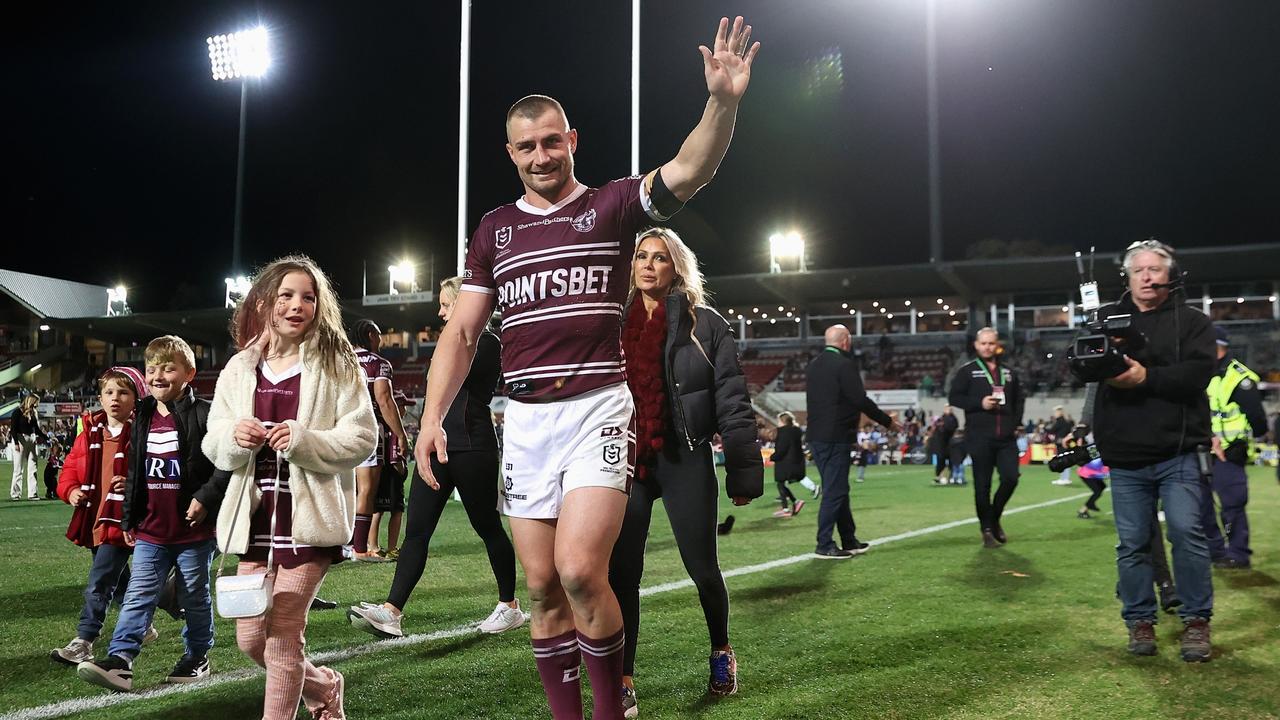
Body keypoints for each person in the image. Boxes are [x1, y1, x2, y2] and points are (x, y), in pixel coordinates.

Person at [414, 16, 759, 720]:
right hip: (527, 418)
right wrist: (429, 418)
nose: (541, 156)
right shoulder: (493, 230)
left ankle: (610, 710)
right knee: (540, 588)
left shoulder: (611, 207)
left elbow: (690, 168)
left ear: (572, 141)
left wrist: (722, 103)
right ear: (509, 152)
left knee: (578, 570)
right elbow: (462, 332)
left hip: (599, 406)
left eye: (552, 141)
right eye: (526, 147)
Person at [205, 256, 377, 720]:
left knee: (283, 633)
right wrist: (233, 438)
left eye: (307, 297)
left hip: (310, 518)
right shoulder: (240, 367)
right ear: (265, 302)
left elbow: (363, 438)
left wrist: (303, 442)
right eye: (286, 295)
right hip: (254, 516)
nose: (296, 305)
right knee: (250, 639)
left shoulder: (338, 364)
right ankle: (324, 686)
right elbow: (212, 439)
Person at [608, 228, 763, 715]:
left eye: (660, 257)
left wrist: (742, 472)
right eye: (641, 256)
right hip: (628, 462)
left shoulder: (707, 325)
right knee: (621, 576)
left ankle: (721, 649)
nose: (649, 265)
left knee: (703, 570)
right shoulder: (612, 323)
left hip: (685, 457)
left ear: (677, 267)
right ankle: (623, 677)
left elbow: (733, 401)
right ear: (631, 265)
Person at [348, 276, 525, 639]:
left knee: (487, 527)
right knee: (417, 532)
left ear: (464, 303)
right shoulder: (450, 339)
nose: (440, 311)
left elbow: (459, 378)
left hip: (471, 447)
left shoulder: (487, 341)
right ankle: (392, 611)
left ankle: (509, 606)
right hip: (436, 447)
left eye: (447, 304)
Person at [1092, 239, 1215, 662]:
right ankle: (1139, 620)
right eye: (1138, 270)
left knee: (1186, 533)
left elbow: (1198, 375)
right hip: (1125, 453)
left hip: (1177, 449)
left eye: (1154, 270)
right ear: (1127, 277)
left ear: (1170, 275)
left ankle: (1197, 621)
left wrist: (1146, 378)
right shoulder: (1105, 317)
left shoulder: (1194, 321)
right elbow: (1077, 364)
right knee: (1132, 544)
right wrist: (1097, 367)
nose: (1146, 277)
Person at [76, 337, 221, 692]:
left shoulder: (205, 412)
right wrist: (129, 519)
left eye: (168, 368)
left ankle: (197, 654)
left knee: (193, 596)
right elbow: (137, 472)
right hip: (151, 530)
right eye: (151, 368)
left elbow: (227, 466)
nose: (158, 375)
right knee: (139, 593)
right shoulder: (141, 414)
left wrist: (204, 498)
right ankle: (120, 660)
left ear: (189, 373)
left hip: (193, 532)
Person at [50, 367, 149, 665]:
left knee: (99, 580)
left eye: (123, 392)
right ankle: (159, 611)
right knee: (118, 581)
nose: (115, 398)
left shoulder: (144, 432)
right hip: (94, 517)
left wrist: (133, 482)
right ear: (100, 398)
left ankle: (85, 639)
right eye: (109, 392)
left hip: (122, 519)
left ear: (137, 397)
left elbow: (156, 472)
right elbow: (69, 469)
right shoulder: (90, 431)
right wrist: (71, 491)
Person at [805, 324, 895, 559]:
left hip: (817, 435)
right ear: (846, 341)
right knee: (835, 491)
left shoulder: (814, 365)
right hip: (836, 436)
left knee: (838, 489)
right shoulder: (844, 364)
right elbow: (859, 400)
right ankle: (824, 544)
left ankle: (849, 539)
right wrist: (887, 421)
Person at [948, 327, 1024, 548]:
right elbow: (954, 397)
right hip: (979, 437)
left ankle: (994, 516)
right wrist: (979, 403)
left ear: (997, 344)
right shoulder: (967, 371)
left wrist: (1015, 421)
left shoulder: (1009, 372)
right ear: (976, 345)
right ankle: (987, 529)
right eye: (983, 343)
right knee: (982, 486)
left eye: (991, 343)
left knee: (1011, 478)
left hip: (1006, 438)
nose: (987, 347)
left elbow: (1019, 398)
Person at [1201, 325, 1268, 569]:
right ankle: (1216, 550)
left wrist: (1241, 442)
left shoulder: (1238, 377)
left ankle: (1238, 553)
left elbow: (1258, 420)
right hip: (1200, 450)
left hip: (1229, 451)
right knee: (1201, 505)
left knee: (1232, 504)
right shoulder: (1201, 372)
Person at [349, 319, 411, 561]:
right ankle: (359, 549)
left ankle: (345, 546)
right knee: (366, 490)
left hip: (337, 429)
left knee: (346, 490)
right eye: (378, 334)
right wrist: (400, 433)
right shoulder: (378, 364)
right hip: (367, 428)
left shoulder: (338, 360)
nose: (380, 339)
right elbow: (384, 399)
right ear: (368, 335)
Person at [10, 394, 46, 500]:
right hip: (20, 439)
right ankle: (15, 494)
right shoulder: (17, 412)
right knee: (18, 468)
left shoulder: (34, 412)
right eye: (36, 403)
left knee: (33, 467)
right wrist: (16, 443)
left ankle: (33, 493)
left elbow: (36, 429)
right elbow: (13, 429)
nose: (37, 405)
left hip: (32, 439)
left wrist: (45, 437)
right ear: (31, 401)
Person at [771, 411, 806, 516]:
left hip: (785, 462)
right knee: (781, 484)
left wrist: (773, 457)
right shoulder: (796, 431)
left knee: (780, 483)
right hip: (795, 461)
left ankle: (786, 509)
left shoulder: (784, 432)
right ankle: (795, 502)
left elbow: (782, 448)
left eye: (778, 420)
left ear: (782, 421)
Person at [1049, 406, 1074, 486]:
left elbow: (1052, 430)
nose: (1054, 414)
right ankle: (1064, 478)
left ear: (1059, 413)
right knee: (1065, 459)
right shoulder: (1067, 421)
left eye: (1055, 412)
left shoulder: (1060, 421)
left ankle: (1064, 478)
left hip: (1061, 443)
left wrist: (1044, 428)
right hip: (1067, 442)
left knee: (1063, 460)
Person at [932, 406, 958, 484]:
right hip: (941, 445)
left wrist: (950, 415)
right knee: (940, 461)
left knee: (951, 461)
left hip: (949, 444)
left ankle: (951, 476)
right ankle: (939, 476)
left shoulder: (952, 419)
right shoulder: (941, 419)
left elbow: (952, 426)